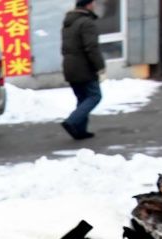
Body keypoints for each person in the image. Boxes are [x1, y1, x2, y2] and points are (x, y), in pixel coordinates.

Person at [61, 0, 106, 140]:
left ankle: (80, 131)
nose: (94, 6)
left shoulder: (68, 23)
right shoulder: (86, 22)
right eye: (93, 3)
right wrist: (100, 66)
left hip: (69, 67)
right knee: (94, 96)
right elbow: (91, 47)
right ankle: (72, 121)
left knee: (82, 98)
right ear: (88, 5)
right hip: (83, 68)